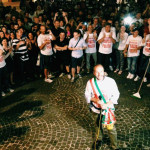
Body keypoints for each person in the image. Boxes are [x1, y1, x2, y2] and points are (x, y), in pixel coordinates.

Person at [85, 64, 120, 150]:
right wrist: (96, 100)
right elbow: (87, 95)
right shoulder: (90, 83)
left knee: (111, 129)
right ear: (94, 73)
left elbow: (116, 94)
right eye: (97, 72)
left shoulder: (111, 81)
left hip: (108, 110)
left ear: (104, 72)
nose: (99, 74)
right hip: (95, 109)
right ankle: (99, 140)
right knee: (98, 125)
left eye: (101, 71)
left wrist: (107, 104)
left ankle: (114, 146)